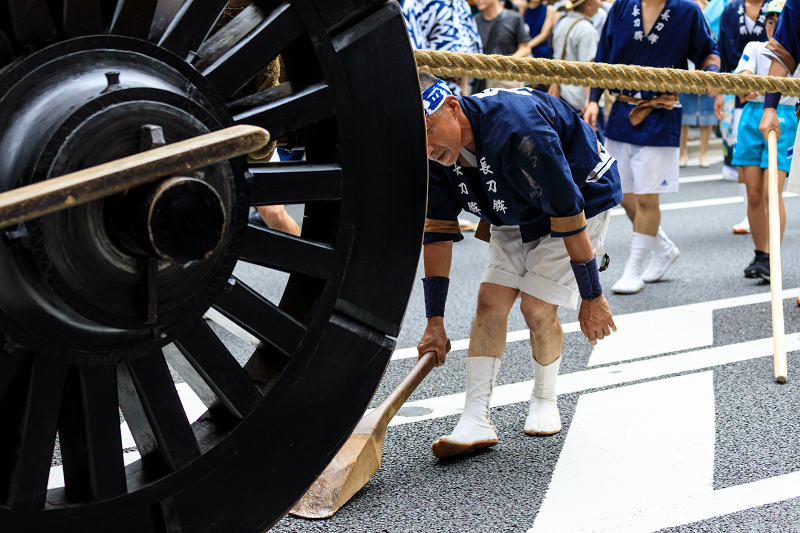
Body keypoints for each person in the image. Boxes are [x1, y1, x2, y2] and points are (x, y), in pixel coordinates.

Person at [417, 72, 621, 459]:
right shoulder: (435, 154)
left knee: (535, 305)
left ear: (453, 107)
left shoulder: (519, 127)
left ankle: (544, 396)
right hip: (511, 209)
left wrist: (592, 295)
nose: (427, 147)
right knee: (489, 300)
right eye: (418, 141)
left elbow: (566, 207)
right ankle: (475, 415)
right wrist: (434, 321)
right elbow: (438, 231)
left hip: (576, 205)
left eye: (428, 130)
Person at [584, 0, 720, 294]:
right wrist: (593, 98)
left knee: (647, 199)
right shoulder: (622, 6)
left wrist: (712, 73)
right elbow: (602, 57)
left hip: (661, 113)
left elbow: (709, 51)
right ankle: (662, 248)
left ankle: (634, 269)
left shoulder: (687, 10)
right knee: (619, 191)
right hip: (621, 111)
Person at [731, 0, 795, 280]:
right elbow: (743, 73)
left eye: (779, 21)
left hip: (785, 118)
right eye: (770, 21)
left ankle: (775, 257)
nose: (774, 26)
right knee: (754, 193)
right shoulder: (754, 48)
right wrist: (747, 83)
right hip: (750, 119)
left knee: (772, 191)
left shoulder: (796, 48)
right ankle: (761, 255)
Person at [716, 0, 770, 233]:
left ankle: (769, 209)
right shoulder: (731, 9)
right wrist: (719, 90)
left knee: (772, 160)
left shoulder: (776, 6)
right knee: (743, 155)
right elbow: (722, 49)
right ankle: (750, 210)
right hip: (737, 88)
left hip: (774, 92)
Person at [401, 0, 483, 95]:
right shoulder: (416, 2)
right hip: (429, 87)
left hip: (461, 84)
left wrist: (465, 91)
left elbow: (470, 47)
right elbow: (414, 51)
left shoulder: (462, 4)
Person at [549, 0, 604, 140]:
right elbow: (587, 69)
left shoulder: (563, 22)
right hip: (581, 101)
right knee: (596, 149)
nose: (601, 2)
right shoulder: (586, 30)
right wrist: (591, 100)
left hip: (564, 95)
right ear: (588, 4)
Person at [474, 0, 531, 90]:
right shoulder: (474, 21)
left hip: (507, 78)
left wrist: (507, 63)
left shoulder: (514, 18)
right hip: (481, 78)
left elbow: (525, 48)